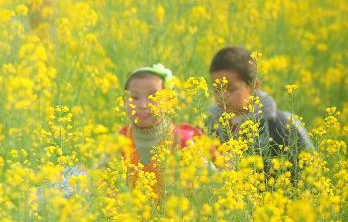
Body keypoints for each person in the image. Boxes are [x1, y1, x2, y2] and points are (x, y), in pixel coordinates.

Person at [206, 46, 313, 183]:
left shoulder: (283, 125)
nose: (222, 96)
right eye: (217, 89)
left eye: (230, 89)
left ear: (253, 85)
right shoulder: (208, 126)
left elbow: (311, 175)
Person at [117, 63, 204, 195]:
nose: (143, 105)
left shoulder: (183, 141)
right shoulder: (119, 142)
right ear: (124, 101)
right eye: (134, 97)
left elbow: (211, 188)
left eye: (153, 97)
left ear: (169, 101)